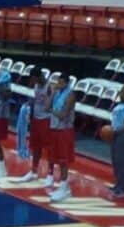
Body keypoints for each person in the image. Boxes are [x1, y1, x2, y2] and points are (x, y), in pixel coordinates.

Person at [15, 69, 51, 184]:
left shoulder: (49, 87)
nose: (33, 81)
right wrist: (30, 103)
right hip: (36, 118)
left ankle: (50, 174)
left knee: (48, 148)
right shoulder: (36, 85)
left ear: (39, 76)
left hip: (46, 119)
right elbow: (37, 99)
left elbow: (51, 103)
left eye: (34, 78)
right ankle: (34, 172)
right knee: (36, 147)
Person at [47, 72, 77, 202]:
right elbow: (46, 106)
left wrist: (52, 111)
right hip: (55, 129)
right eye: (57, 82)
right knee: (56, 159)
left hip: (65, 130)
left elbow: (63, 115)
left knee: (64, 160)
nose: (58, 84)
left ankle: (65, 187)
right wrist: (53, 92)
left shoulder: (70, 95)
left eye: (60, 82)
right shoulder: (57, 93)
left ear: (66, 83)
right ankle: (62, 186)